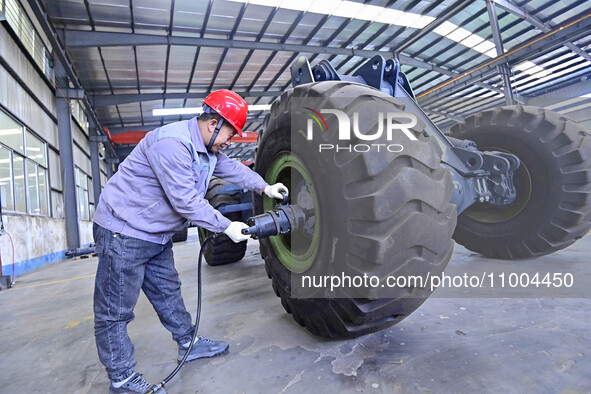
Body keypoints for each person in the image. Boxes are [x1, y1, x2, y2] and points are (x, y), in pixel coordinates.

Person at [92, 89, 288, 393]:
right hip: (123, 230)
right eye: (229, 134)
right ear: (213, 124)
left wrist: (265, 188)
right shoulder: (172, 145)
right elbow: (186, 202)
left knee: (168, 291)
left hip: (155, 233)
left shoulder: (208, 150)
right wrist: (226, 227)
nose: (229, 141)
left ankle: (188, 342)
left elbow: (234, 169)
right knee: (115, 311)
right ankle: (122, 379)